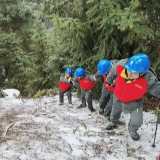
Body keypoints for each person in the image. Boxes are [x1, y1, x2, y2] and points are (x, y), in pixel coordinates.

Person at [105, 53, 160, 141]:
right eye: (128, 69)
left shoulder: (148, 79)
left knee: (137, 121)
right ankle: (113, 122)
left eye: (134, 72)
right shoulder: (120, 65)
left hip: (135, 102)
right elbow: (112, 73)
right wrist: (108, 80)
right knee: (115, 112)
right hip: (118, 96)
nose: (129, 73)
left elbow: (156, 88)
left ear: (143, 73)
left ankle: (132, 129)